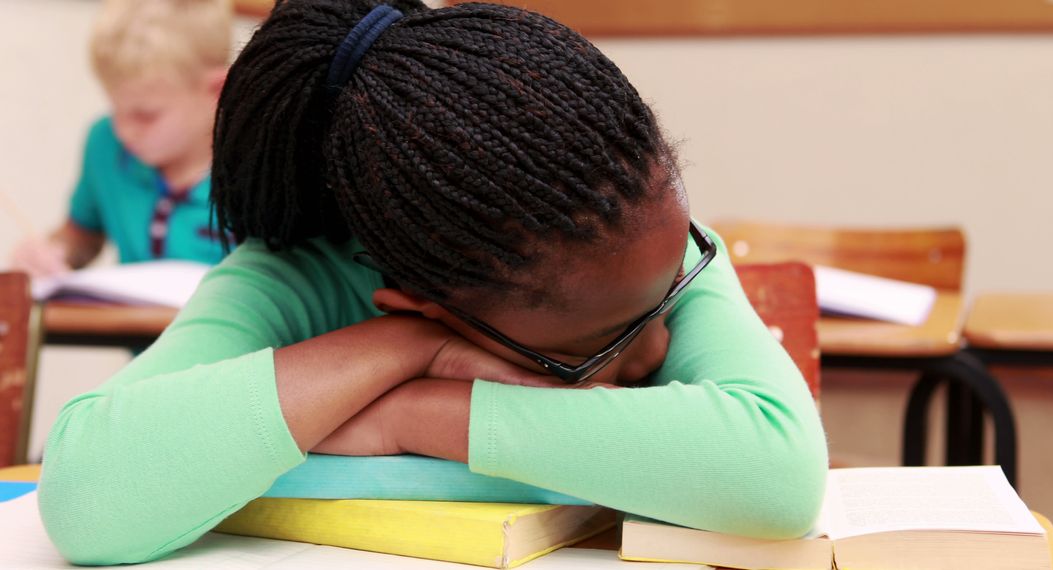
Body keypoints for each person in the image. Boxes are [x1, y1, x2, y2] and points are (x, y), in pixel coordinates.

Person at [38, 1, 828, 564]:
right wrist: (404, 348)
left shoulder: (649, 243)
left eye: (668, 299)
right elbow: (88, 497)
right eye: (603, 345)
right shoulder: (295, 279)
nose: (661, 344)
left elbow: (775, 474)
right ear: (423, 303)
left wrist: (410, 416)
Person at [10, 0, 232, 277]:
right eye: (115, 108)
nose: (124, 130)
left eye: (145, 115)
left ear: (216, 90)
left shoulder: (258, 165)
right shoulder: (105, 142)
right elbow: (82, 236)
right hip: (124, 319)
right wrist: (53, 253)